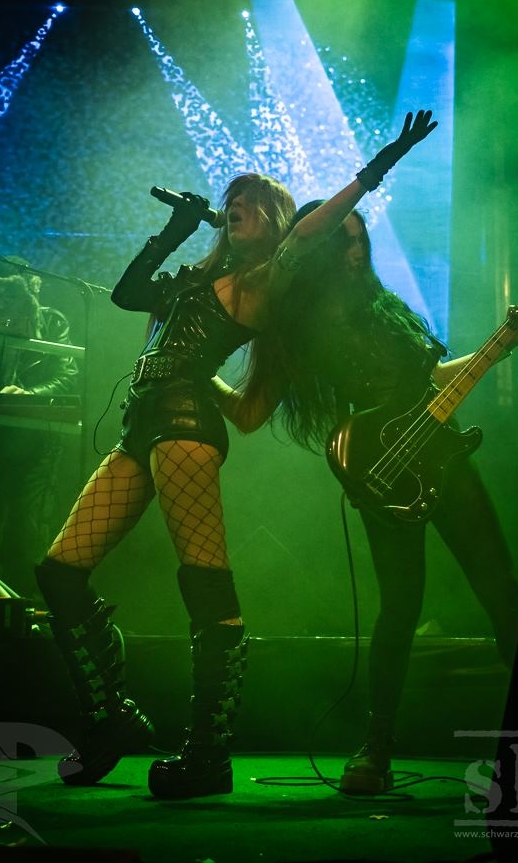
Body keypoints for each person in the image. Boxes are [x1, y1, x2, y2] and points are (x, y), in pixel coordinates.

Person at [32, 118, 436, 802]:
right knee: (59, 572)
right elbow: (129, 294)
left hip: (183, 426)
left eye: (252, 198)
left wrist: (379, 165)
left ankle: (208, 753)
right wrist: (177, 228)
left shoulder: (266, 278)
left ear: (275, 221)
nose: (236, 201)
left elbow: (310, 233)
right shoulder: (200, 273)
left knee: (206, 583)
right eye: (232, 197)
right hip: (142, 421)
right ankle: (109, 719)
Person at [213, 154, 518, 797]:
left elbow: (431, 381)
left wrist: (500, 345)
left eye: (362, 237)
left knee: (501, 589)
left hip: (440, 449)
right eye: (345, 237)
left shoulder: (386, 306)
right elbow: (251, 412)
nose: (356, 247)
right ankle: (376, 745)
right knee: (400, 605)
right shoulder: (296, 325)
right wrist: (202, 379)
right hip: (379, 464)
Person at [0, 256, 79, 596]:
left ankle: (27, 605)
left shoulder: (51, 322)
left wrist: (28, 396)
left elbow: (68, 375)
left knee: (28, 524)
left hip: (36, 442)